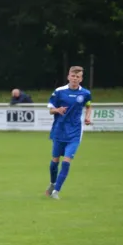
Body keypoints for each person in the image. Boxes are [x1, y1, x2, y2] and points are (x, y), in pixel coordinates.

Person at [45, 66, 92, 199]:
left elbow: (88, 105)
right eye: (73, 76)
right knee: (55, 161)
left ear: (81, 79)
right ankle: (52, 183)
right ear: (68, 77)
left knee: (66, 162)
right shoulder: (59, 92)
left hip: (75, 133)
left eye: (78, 77)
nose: (75, 79)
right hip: (59, 130)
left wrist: (88, 117)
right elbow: (50, 109)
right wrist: (57, 110)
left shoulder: (85, 93)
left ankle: (56, 192)